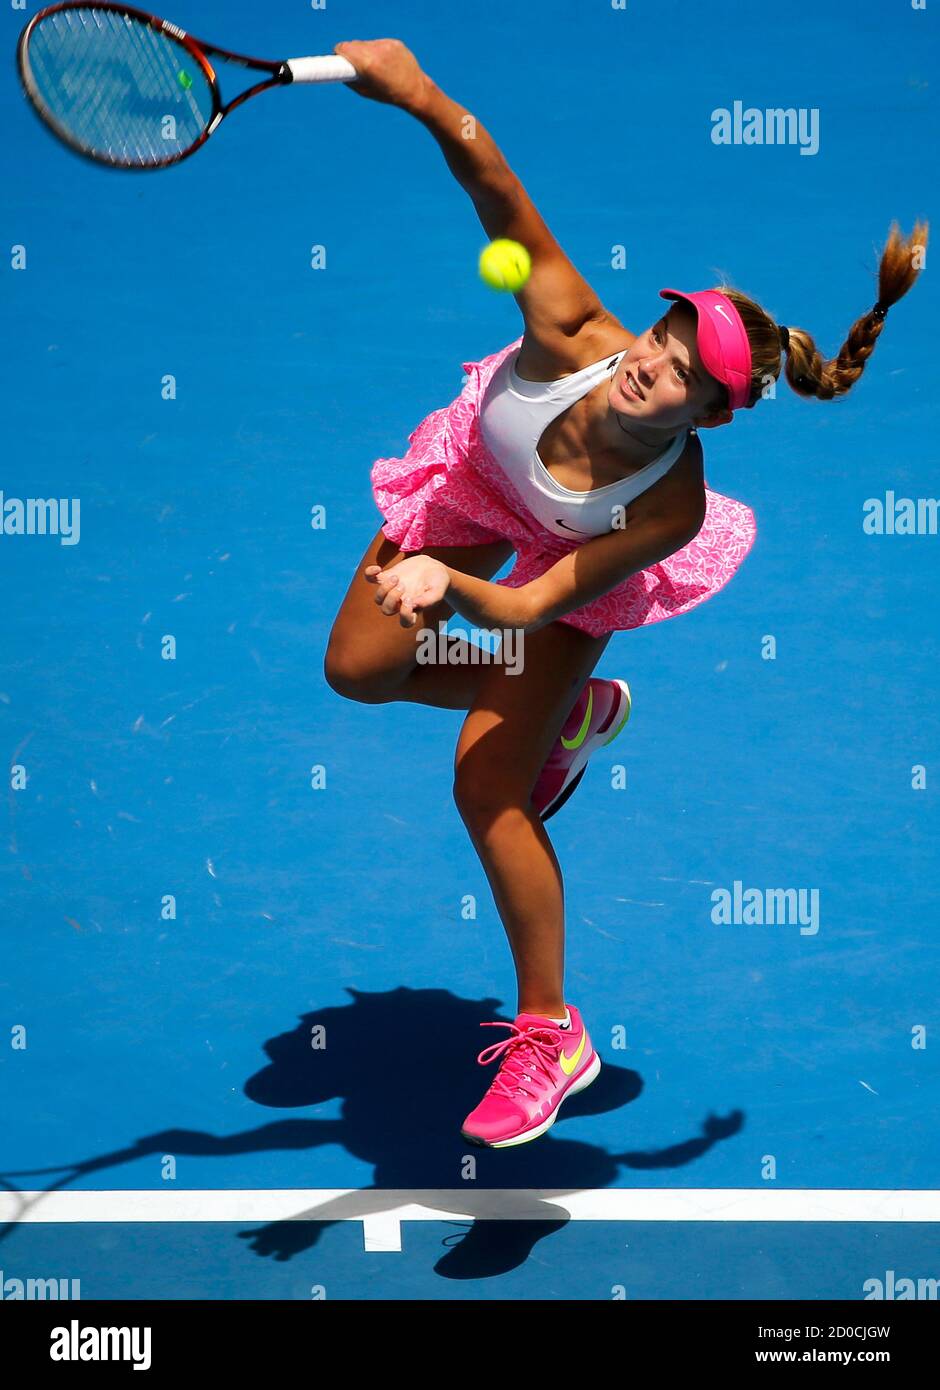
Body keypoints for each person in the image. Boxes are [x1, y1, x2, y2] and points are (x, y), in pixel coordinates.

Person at [322, 39, 928, 1149]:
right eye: (663, 336)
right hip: (475, 480)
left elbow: (525, 605)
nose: (656, 363)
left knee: (485, 787)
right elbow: (493, 183)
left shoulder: (668, 511)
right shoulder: (565, 328)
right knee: (356, 669)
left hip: (551, 565)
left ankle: (550, 1031)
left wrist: (444, 583)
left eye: (685, 374)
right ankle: (573, 719)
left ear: (709, 416)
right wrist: (414, 91)